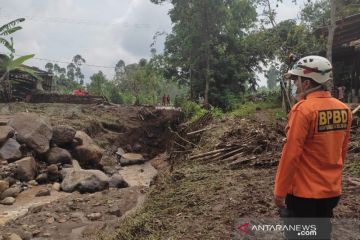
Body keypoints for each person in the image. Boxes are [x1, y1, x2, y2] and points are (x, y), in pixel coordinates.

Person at [274, 56, 352, 239]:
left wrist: (279, 192)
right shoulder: (344, 110)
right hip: (331, 192)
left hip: (304, 195)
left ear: (307, 83)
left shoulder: (303, 110)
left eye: (296, 80)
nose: (295, 85)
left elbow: (291, 155)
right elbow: (342, 151)